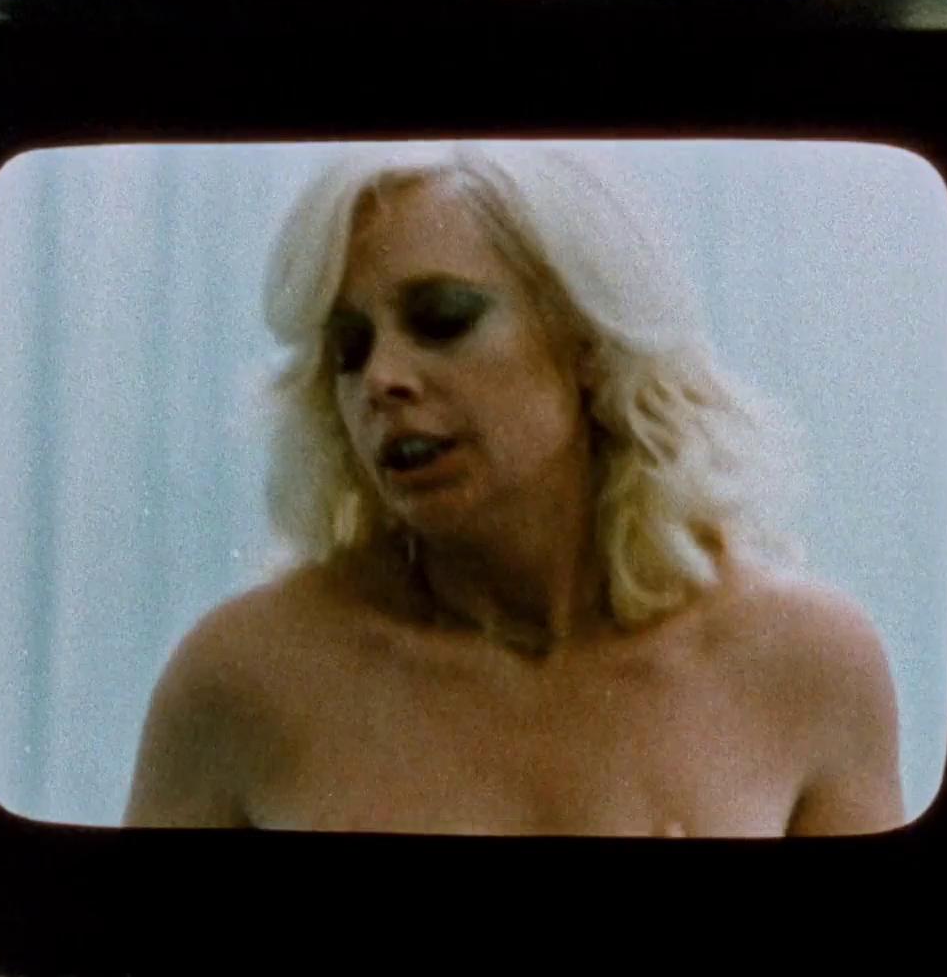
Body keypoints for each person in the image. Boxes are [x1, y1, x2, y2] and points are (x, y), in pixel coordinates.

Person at [124, 143, 904, 836]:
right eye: (349, 348)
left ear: (588, 341)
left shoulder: (806, 662)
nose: (382, 379)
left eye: (441, 319)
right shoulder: (244, 676)